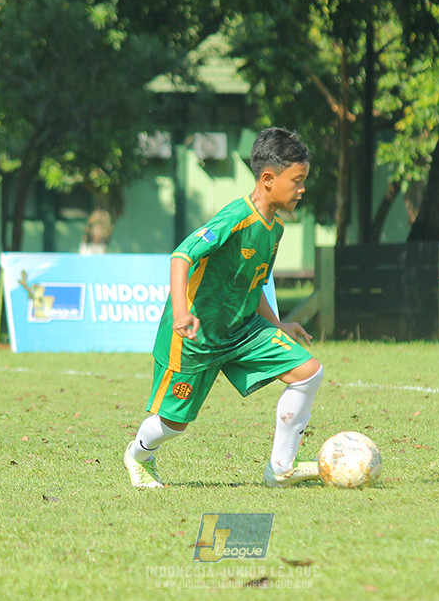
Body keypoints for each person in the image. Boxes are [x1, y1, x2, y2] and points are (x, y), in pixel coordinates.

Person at [124, 127, 324, 488]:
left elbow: (254, 283)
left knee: (308, 372)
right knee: (174, 423)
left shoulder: (274, 230)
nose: (302, 189)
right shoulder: (235, 218)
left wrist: (278, 325)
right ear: (267, 179)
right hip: (195, 337)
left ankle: (280, 469)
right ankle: (139, 454)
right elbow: (181, 255)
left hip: (243, 331)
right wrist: (183, 312)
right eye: (296, 181)